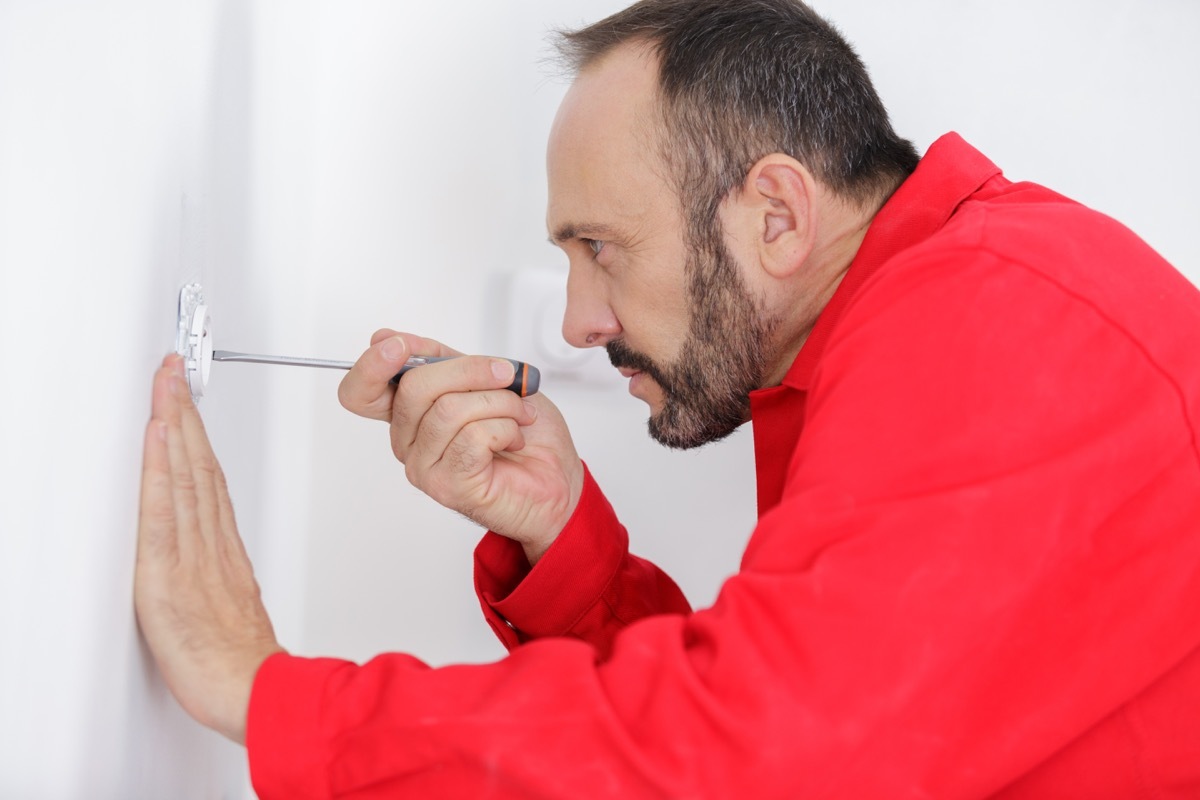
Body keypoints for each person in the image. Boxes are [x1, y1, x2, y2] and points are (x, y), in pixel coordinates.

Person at [134, 0, 1200, 797]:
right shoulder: (933, 311)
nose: (577, 323)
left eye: (602, 247)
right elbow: (796, 714)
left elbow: (762, 755)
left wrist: (265, 693)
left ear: (776, 213)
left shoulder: (998, 321)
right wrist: (562, 542)